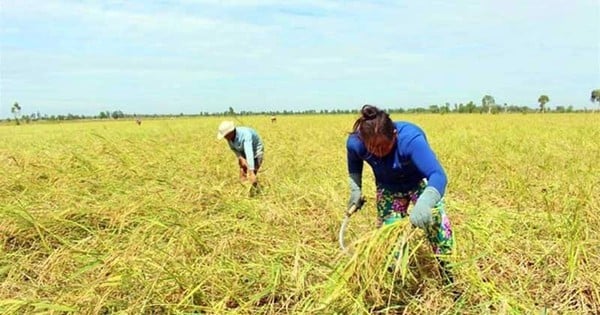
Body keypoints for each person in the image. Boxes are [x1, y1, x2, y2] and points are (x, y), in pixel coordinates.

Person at [346, 104, 454, 284]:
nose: (377, 153)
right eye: (371, 148)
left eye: (382, 147)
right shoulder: (356, 143)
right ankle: (396, 282)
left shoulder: (411, 139)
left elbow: (438, 175)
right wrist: (355, 189)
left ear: (394, 135)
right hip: (388, 187)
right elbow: (354, 164)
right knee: (389, 240)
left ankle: (449, 276)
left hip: (418, 183)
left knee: (439, 229)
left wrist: (426, 202)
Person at [217, 121, 264, 186]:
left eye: (225, 135)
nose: (225, 137)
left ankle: (255, 189)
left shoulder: (246, 135)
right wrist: (240, 157)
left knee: (252, 174)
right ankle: (244, 187)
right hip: (243, 150)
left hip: (256, 151)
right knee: (243, 170)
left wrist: (251, 171)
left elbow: (249, 152)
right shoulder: (229, 138)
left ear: (231, 132)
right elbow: (233, 148)